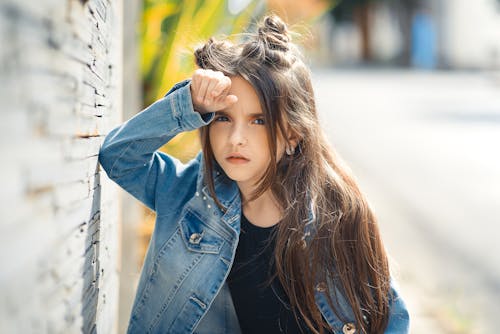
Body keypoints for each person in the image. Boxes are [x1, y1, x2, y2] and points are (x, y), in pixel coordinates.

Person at [99, 15, 409, 334]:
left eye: (258, 120)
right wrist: (186, 104)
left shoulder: (337, 214)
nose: (236, 138)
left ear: (293, 135)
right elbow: (119, 157)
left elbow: (393, 318)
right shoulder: (187, 194)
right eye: (222, 118)